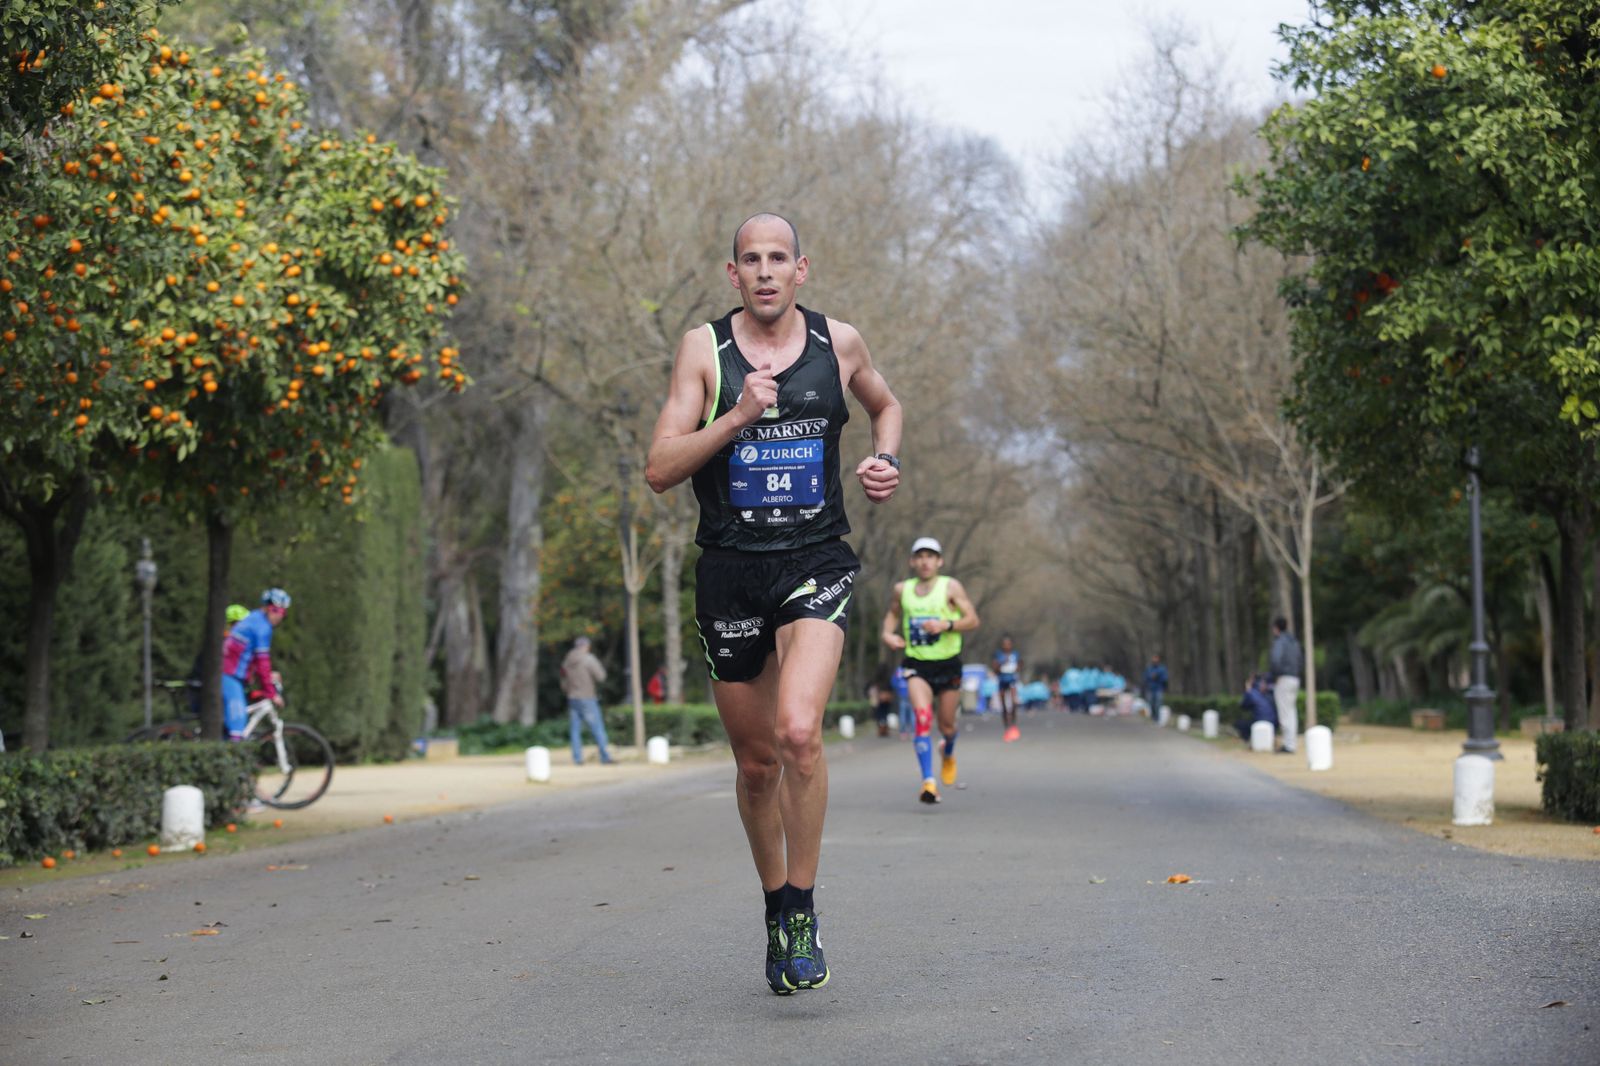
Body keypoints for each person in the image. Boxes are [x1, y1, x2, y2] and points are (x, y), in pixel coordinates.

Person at [645, 211, 902, 995]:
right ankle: (772, 906)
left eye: (778, 258)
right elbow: (660, 467)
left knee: (797, 733)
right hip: (730, 570)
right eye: (750, 259)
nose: (764, 270)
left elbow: (885, 405)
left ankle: (802, 910)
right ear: (734, 274)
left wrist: (883, 458)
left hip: (814, 559)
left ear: (801, 270)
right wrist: (738, 415)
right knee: (757, 766)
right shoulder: (704, 350)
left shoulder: (839, 343)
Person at [881, 536, 981, 804]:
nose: (925, 561)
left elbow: (972, 619)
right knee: (922, 718)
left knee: (946, 725)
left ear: (939, 561)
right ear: (913, 561)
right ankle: (928, 782)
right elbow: (892, 614)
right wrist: (888, 635)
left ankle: (947, 752)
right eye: (920, 556)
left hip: (948, 664)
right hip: (917, 664)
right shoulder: (902, 589)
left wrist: (946, 625)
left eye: (930, 556)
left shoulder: (951, 587)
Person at [221, 589, 289, 741]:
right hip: (229, 675)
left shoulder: (254, 619)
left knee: (235, 722)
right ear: (266, 607)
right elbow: (262, 661)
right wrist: (272, 693)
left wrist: (268, 676)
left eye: (282, 612)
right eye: (275, 610)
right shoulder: (262, 627)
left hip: (232, 675)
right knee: (237, 725)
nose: (278, 615)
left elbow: (251, 659)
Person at [560, 636, 615, 766]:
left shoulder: (567, 661)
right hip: (587, 697)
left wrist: (569, 690)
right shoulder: (588, 659)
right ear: (587, 646)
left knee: (575, 730)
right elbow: (601, 676)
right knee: (597, 727)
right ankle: (605, 756)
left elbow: (563, 681)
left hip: (572, 698)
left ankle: (577, 758)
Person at [1268, 616, 1304, 754]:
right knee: (1292, 712)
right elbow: (1300, 660)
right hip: (1295, 678)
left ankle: (1288, 745)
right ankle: (1291, 743)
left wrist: (1274, 676)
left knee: (1284, 713)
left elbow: (1275, 660)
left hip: (1283, 679)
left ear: (1276, 628)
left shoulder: (1279, 642)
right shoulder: (1294, 641)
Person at [991, 635, 1023, 741]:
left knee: (1014, 703)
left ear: (1011, 645)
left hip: (1012, 680)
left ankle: (1013, 724)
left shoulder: (1015, 654)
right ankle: (1006, 726)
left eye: (1008, 644)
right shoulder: (999, 655)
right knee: (1004, 705)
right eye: (1004, 644)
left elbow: (1020, 665)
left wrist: (1017, 668)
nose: (1006, 646)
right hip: (1002, 681)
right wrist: (1001, 664)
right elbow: (995, 669)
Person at [1236, 672, 1279, 741]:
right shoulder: (1269, 691)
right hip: (1274, 723)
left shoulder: (1251, 692)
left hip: (1260, 721)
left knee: (1240, 723)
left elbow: (1243, 706)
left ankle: (1249, 741)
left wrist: (1248, 690)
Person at [1143, 653, 1168, 724]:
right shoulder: (1149, 669)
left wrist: (1158, 677)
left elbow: (1165, 679)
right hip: (1150, 689)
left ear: (1158, 660)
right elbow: (1145, 678)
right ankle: (1153, 717)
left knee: (1158, 704)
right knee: (1151, 703)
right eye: (1154, 659)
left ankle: (1157, 718)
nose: (1155, 660)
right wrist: (1150, 677)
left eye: (1156, 658)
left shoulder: (1162, 669)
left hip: (1159, 689)